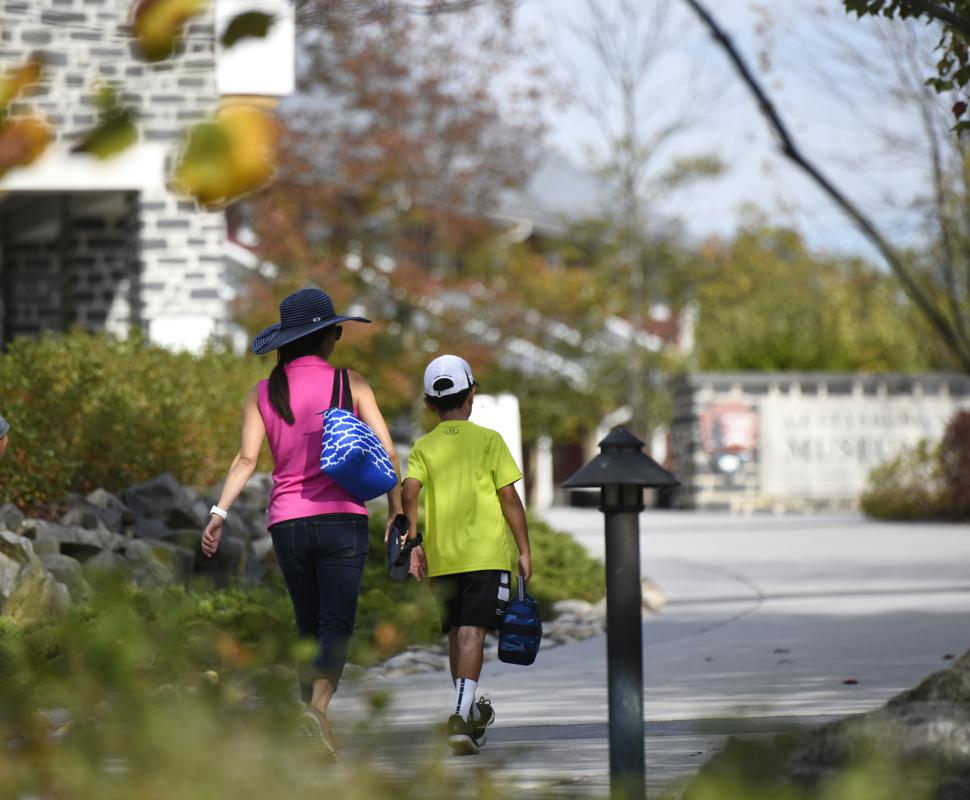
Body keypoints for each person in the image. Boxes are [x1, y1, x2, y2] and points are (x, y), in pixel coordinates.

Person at [201, 287, 402, 757]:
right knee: (336, 623)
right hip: (342, 521)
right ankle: (316, 711)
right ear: (328, 336)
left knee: (306, 625)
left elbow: (247, 459)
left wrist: (218, 513)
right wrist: (396, 509)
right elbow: (386, 450)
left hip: (287, 524)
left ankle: (309, 729)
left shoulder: (263, 391)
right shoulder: (350, 382)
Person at [401, 354, 532, 756]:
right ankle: (459, 717)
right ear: (472, 393)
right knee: (474, 633)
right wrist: (524, 549)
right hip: (486, 555)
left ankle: (469, 710)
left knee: (457, 635)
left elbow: (409, 492)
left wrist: (414, 541)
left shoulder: (423, 447)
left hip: (444, 556)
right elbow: (509, 498)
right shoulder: (489, 441)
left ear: (428, 403)